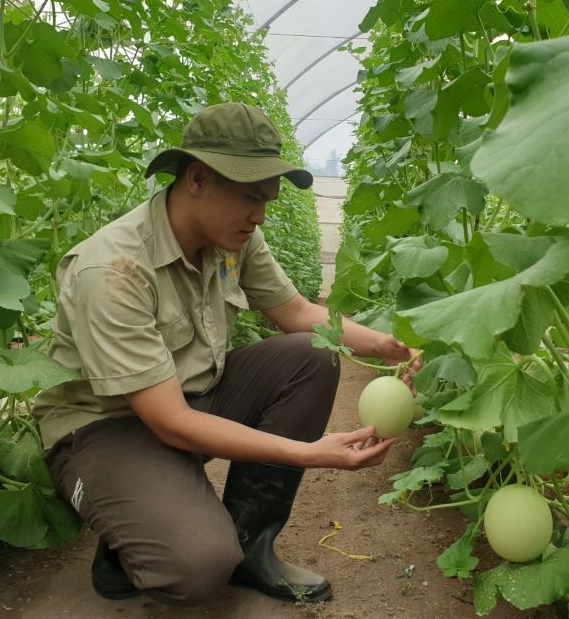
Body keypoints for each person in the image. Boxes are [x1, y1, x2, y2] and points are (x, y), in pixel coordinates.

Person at [33, 103, 419, 606]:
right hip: (106, 429)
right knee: (196, 569)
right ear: (196, 178)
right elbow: (169, 421)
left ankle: (249, 546)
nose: (259, 216)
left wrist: (388, 346)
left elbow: (298, 312)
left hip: (191, 397)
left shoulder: (235, 238)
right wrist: (312, 453)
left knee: (311, 356)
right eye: (250, 197)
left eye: (268, 200)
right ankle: (131, 539)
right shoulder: (112, 271)